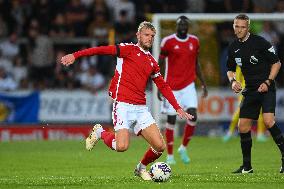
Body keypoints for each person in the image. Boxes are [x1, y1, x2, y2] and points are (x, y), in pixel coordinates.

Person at [61, 21, 193, 180]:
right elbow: (101, 50)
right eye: (146, 35)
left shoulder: (152, 62)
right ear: (138, 35)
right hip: (122, 105)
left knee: (159, 146)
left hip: (141, 108)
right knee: (122, 146)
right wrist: (75, 55)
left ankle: (141, 168)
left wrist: (177, 107)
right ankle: (100, 132)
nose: (149, 38)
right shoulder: (127, 49)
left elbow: (163, 85)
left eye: (152, 36)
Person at [226, 14, 284, 174]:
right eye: (236, 26)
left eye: (242, 27)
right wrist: (233, 81)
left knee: (268, 121)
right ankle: (247, 167)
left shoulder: (260, 42)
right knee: (242, 126)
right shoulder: (233, 47)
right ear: (233, 26)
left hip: (267, 88)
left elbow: (277, 63)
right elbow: (230, 69)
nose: (239, 29)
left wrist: (268, 82)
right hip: (250, 90)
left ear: (248, 28)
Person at [158, 16, 208, 165]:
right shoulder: (168, 42)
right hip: (171, 87)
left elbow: (196, 63)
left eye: (185, 24)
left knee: (193, 116)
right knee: (171, 120)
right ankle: (170, 156)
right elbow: (160, 63)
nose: (183, 26)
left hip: (188, 86)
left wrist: (203, 83)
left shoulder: (194, 41)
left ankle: (183, 148)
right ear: (176, 26)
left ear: (188, 26)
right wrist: (160, 86)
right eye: (180, 24)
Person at [223, 66, 267, 142]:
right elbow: (237, 77)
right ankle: (230, 132)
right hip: (245, 90)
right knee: (240, 111)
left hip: (257, 89)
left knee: (260, 111)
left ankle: (260, 134)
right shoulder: (240, 62)